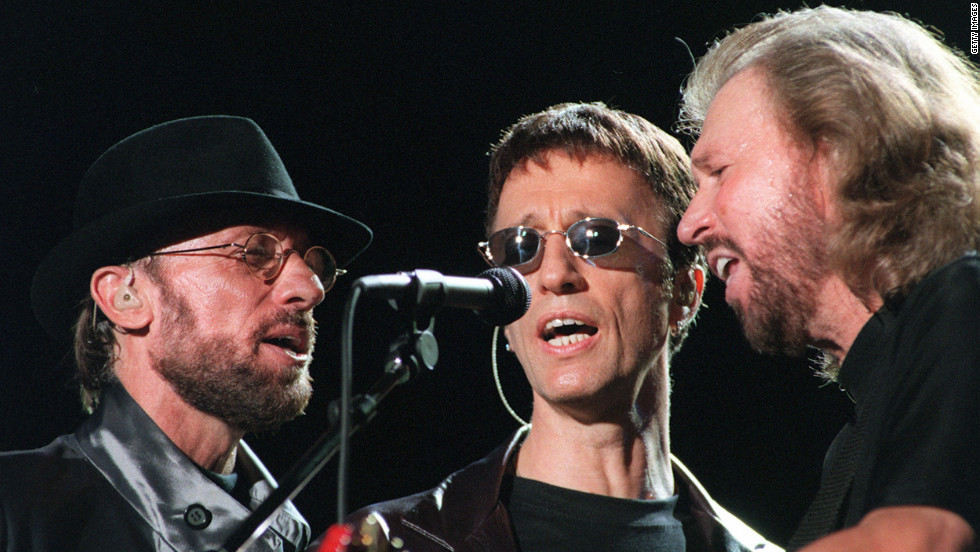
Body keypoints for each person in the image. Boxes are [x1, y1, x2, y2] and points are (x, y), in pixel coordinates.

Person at [316, 102, 779, 552]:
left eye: (596, 238)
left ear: (684, 292)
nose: (554, 275)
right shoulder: (391, 543)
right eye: (520, 247)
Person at [675, 6, 979, 552]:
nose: (689, 225)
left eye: (718, 172)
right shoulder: (854, 447)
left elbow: (917, 541)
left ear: (837, 153)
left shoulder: (967, 300)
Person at [0, 115, 373, 552]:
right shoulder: (15, 512)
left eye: (315, 264)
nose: (308, 288)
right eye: (256, 252)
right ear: (125, 297)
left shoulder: (290, 540)